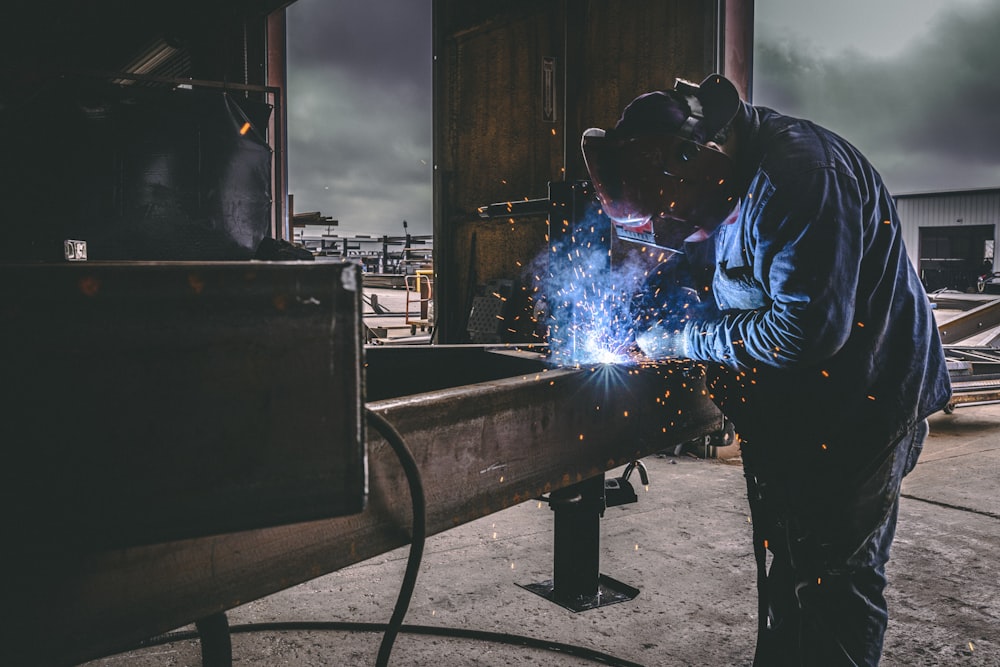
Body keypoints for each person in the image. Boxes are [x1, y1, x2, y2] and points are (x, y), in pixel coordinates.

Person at [582, 74, 952, 666]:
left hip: (863, 407)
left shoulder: (801, 179)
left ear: (696, 158)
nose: (679, 227)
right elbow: (707, 269)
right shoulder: (721, 175)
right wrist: (643, 316)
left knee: (834, 582)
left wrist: (679, 336)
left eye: (674, 211)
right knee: (792, 562)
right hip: (797, 410)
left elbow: (804, 331)